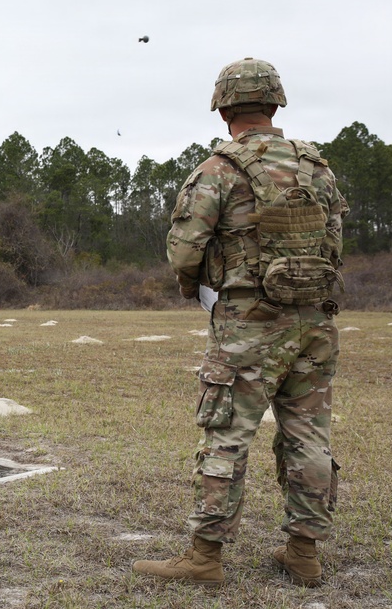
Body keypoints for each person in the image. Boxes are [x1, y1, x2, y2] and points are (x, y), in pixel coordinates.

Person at [133, 58, 348, 587]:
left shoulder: (218, 169)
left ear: (224, 108)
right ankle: (304, 553)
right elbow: (336, 246)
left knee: (226, 435)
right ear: (275, 105)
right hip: (315, 324)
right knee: (309, 436)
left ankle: (205, 557)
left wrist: (200, 290)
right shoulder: (317, 168)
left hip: (247, 324)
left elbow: (185, 252)